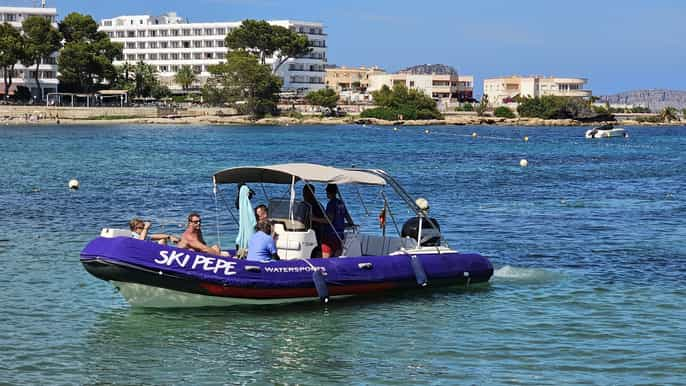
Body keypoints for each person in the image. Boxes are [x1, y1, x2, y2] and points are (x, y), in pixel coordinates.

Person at [321, 184, 351, 258]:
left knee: (325, 260)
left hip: (330, 235)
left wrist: (313, 218)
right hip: (340, 235)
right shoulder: (341, 203)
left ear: (328, 192)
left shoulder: (331, 204)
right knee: (336, 258)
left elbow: (329, 220)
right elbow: (348, 218)